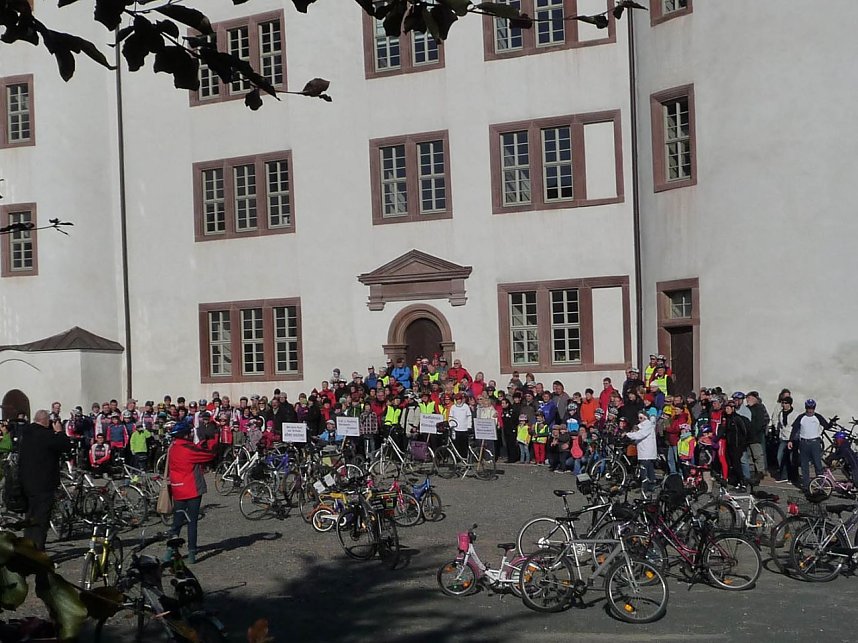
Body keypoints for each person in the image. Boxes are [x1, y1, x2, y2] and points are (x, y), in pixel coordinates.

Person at [165, 420, 217, 563]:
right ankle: (192, 552)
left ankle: (170, 551)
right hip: (192, 488)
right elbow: (209, 455)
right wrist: (211, 441)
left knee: (177, 521)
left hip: (177, 488)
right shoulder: (188, 448)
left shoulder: (172, 447)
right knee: (192, 521)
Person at [19, 409, 71, 550]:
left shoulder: (26, 432)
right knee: (41, 521)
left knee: (30, 518)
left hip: (26, 483)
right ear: (46, 421)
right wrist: (60, 431)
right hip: (43, 484)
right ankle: (37, 555)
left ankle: (27, 550)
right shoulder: (45, 435)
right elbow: (66, 445)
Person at [789, 399, 830, 491]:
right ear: (805, 408)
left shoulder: (818, 417)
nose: (810, 410)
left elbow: (826, 426)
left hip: (815, 442)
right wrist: (790, 440)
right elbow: (795, 429)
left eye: (812, 408)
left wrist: (831, 423)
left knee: (818, 464)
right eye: (808, 408)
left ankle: (820, 485)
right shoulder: (801, 417)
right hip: (804, 443)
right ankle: (806, 486)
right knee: (804, 466)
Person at [625, 411, 657, 492]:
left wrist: (628, 435)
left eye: (641, 418)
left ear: (645, 417)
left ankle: (645, 487)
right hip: (644, 451)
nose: (640, 420)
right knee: (649, 468)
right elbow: (637, 433)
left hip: (647, 451)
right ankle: (651, 484)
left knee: (644, 469)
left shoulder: (648, 425)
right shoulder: (641, 426)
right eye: (639, 418)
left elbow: (640, 435)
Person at [774, 396, 796, 483]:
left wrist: (794, 438)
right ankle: (784, 476)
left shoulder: (795, 414)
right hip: (783, 438)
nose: (784, 405)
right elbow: (780, 425)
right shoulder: (781, 413)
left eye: (786, 403)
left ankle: (792, 477)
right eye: (783, 403)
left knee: (791, 459)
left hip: (792, 438)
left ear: (790, 404)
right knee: (780, 457)